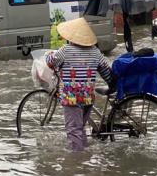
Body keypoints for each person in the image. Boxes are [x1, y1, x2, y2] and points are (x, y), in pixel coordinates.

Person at [46, 17, 114, 151]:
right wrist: (113, 85)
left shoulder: (65, 50)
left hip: (72, 98)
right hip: (88, 98)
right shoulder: (95, 52)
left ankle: (77, 162)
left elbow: (51, 63)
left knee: (73, 130)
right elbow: (106, 72)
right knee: (80, 128)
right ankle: (85, 158)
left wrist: (48, 54)